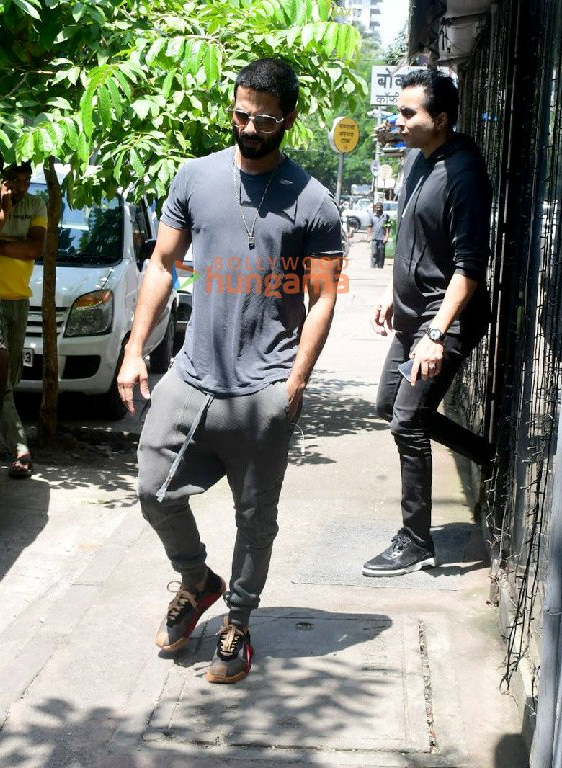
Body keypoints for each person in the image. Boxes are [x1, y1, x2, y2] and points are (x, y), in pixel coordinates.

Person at [117, 58, 342, 683]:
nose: (248, 126)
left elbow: (324, 296)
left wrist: (295, 383)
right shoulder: (196, 177)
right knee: (152, 492)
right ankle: (197, 581)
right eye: (241, 113)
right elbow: (163, 263)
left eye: (263, 118)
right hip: (190, 377)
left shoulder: (314, 202)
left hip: (265, 386)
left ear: (287, 120)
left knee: (254, 518)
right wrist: (136, 350)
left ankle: (238, 620)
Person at [363, 69, 493, 577]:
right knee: (387, 404)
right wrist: (396, 299)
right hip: (414, 315)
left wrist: (436, 333)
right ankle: (488, 455)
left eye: (408, 113)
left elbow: (469, 269)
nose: (399, 121)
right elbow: (417, 239)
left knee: (408, 421)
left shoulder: (464, 173)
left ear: (438, 120)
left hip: (447, 319)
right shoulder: (418, 160)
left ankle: (416, 539)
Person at [0, 162, 47, 479]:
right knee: (1, 383)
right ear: (2, 181)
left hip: (19, 301)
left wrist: (0, 244)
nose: (21, 188)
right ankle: (21, 449)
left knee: (12, 377)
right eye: (15, 181)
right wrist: (3, 214)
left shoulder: (36, 204)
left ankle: (0, 441)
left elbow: (35, 248)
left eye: (26, 181)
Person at [366, 201, 391, 268]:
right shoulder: (372, 216)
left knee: (381, 254)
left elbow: (388, 227)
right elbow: (369, 227)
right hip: (374, 238)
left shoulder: (386, 216)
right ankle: (373, 267)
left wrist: (387, 236)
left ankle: (380, 267)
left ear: (382, 208)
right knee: (374, 253)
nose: (378, 209)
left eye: (380, 208)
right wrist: (368, 236)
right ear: (375, 208)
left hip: (382, 239)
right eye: (377, 208)